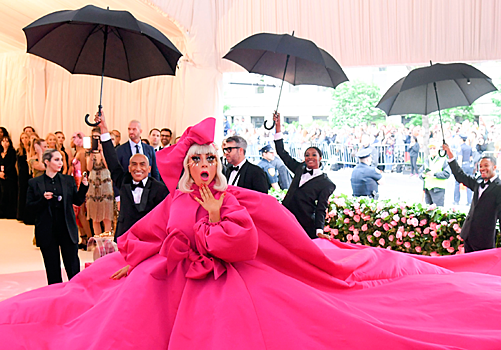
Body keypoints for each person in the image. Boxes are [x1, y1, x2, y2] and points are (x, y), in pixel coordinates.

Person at [5, 118, 501, 349]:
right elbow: (147, 236)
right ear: (186, 167)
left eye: (209, 158)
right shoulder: (176, 200)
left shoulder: (241, 198)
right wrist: (122, 250)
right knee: (81, 312)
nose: (202, 165)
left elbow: (245, 243)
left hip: (229, 287)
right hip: (168, 285)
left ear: (218, 162)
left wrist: (218, 220)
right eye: (194, 159)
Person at [94, 111, 169, 241]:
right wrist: (104, 128)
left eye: (142, 164)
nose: (138, 168)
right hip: (125, 237)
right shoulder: (123, 181)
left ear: (149, 168)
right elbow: (111, 158)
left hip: (149, 240)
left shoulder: (160, 189)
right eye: (134, 164)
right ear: (129, 168)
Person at [26, 149, 89, 284]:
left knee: (73, 268)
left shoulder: (68, 180)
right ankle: (56, 299)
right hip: (47, 230)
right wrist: (43, 200)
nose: (61, 163)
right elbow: (29, 208)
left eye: (61, 159)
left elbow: (77, 201)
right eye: (56, 160)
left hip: (66, 228)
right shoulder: (34, 183)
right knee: (52, 269)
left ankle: (76, 296)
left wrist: (84, 187)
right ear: (47, 162)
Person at [273, 112, 336, 239]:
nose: (310, 157)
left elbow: (321, 208)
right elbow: (282, 152)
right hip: (285, 218)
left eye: (314, 155)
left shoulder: (327, 183)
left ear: (320, 158)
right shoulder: (299, 168)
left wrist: (319, 230)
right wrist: (278, 127)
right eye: (307, 155)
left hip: (305, 224)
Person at [443, 144, 501, 253]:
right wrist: (450, 155)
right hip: (468, 235)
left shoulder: (499, 188)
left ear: (494, 167)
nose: (482, 169)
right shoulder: (478, 182)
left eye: (486, 165)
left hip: (485, 239)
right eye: (480, 166)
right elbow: (460, 176)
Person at [86, 130, 114, 236]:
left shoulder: (108, 151)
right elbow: (88, 168)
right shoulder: (89, 152)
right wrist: (93, 154)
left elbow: (108, 166)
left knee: (107, 216)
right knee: (95, 216)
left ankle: (107, 242)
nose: (96, 140)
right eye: (94, 138)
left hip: (105, 185)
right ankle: (97, 241)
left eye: (98, 137)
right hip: (93, 185)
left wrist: (102, 152)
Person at [422, 143, 450, 207]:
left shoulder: (443, 160)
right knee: (428, 211)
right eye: (430, 149)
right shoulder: (427, 160)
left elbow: (447, 174)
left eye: (434, 148)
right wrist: (423, 175)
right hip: (428, 188)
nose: (432, 150)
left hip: (438, 189)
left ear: (438, 150)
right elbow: (421, 171)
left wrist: (434, 174)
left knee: (438, 211)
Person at [0, 136, 18, 218]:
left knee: (10, 193)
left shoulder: (12, 151)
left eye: (7, 141)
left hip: (10, 175)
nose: (5, 143)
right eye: (3, 141)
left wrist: (5, 172)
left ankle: (10, 213)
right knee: (2, 193)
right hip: (0, 175)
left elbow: (12, 163)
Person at [453, 134, 473, 205]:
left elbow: (460, 158)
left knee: (457, 183)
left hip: (463, 165)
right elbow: (471, 158)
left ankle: (456, 200)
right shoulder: (469, 147)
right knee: (469, 183)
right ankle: (469, 201)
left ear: (461, 139)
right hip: (468, 165)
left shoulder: (460, 148)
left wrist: (458, 168)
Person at [16, 132, 30, 222]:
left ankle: (27, 215)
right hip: (22, 174)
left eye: (26, 137)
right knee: (21, 194)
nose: (24, 139)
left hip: (29, 174)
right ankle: (20, 215)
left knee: (28, 194)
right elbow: (17, 164)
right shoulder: (19, 150)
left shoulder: (31, 149)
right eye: (22, 138)